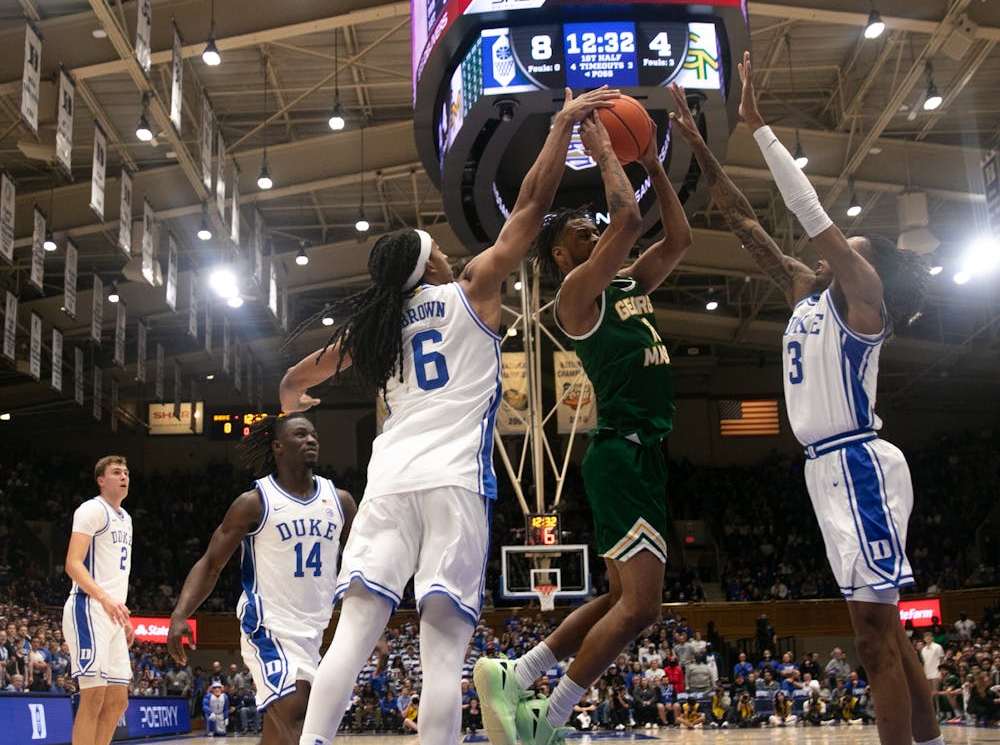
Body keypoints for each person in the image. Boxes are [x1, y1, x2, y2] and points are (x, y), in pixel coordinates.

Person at [280, 86, 621, 745]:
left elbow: (298, 377)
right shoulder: (473, 290)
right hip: (453, 482)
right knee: (441, 649)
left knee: (351, 633)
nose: (444, 252)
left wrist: (294, 404)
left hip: (389, 483)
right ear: (431, 263)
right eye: (436, 248)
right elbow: (532, 204)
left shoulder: (378, 329)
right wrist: (561, 128)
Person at [667, 53, 941, 745]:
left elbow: (808, 210)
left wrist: (757, 128)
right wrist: (698, 149)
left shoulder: (863, 301)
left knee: (873, 638)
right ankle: (932, 736)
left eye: (848, 246)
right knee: (882, 624)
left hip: (858, 463)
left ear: (863, 265)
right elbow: (741, 219)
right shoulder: (801, 290)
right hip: (825, 470)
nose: (832, 247)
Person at [477, 96, 693, 745]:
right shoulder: (576, 296)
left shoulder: (627, 284)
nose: (595, 233)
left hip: (642, 455)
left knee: (613, 600)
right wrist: (604, 153)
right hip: (620, 454)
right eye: (581, 234)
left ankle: (519, 676)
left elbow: (677, 240)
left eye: (591, 230)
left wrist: (653, 162)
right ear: (564, 258)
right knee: (642, 608)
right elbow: (628, 216)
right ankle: (554, 712)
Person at [166, 413, 356, 745]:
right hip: (268, 626)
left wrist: (370, 621)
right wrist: (180, 614)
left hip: (315, 630)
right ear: (278, 446)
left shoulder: (340, 501)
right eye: (300, 435)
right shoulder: (255, 503)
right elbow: (211, 563)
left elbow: (360, 563)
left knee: (280, 733)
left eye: (313, 434)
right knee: (299, 713)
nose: (311, 440)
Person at [62, 455, 135, 745]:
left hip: (114, 614)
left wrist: (123, 618)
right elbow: (73, 563)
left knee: (118, 702)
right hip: (89, 607)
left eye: (126, 472)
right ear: (101, 480)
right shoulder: (91, 509)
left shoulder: (126, 518)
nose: (123, 476)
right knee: (93, 697)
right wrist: (105, 599)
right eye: (116, 472)